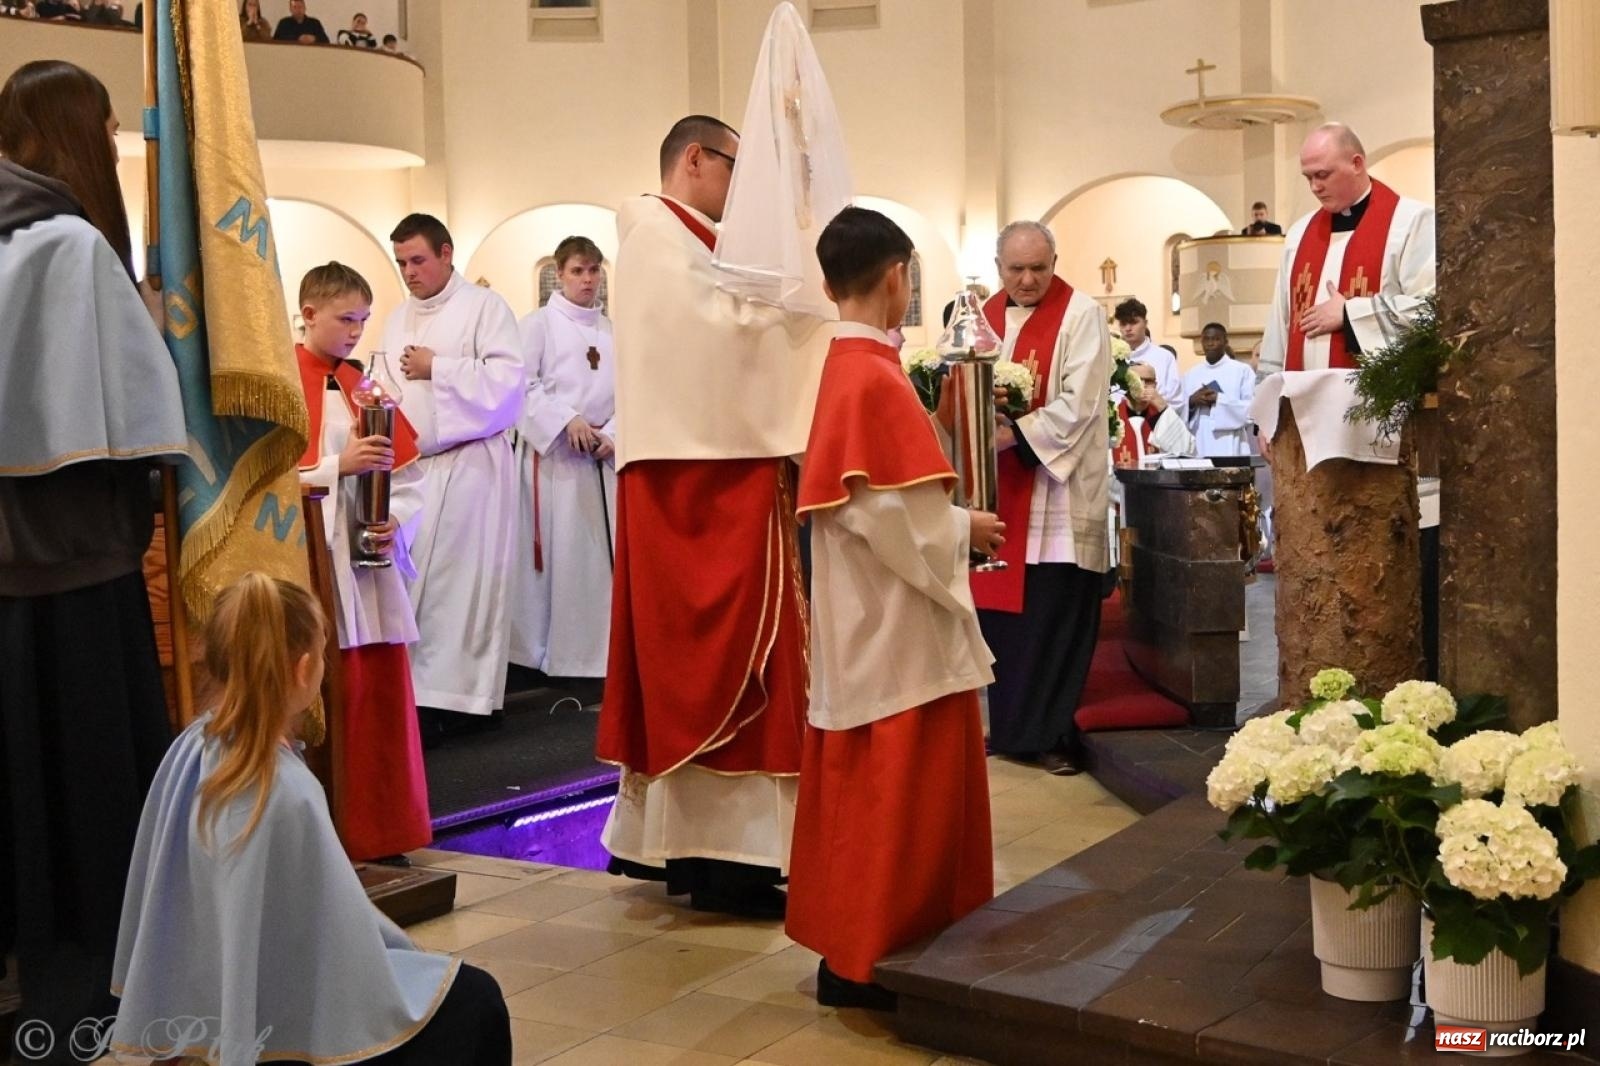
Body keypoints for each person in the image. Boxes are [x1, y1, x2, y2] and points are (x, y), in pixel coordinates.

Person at [109, 574, 512, 1066]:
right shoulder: (289, 789)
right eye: (323, 656)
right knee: (477, 999)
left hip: (200, 998)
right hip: (292, 1020)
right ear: (303, 671)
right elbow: (338, 935)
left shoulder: (189, 750)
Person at [0, 59, 187, 1065]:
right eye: (108, 126)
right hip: (73, 565)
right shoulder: (67, 240)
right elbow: (134, 407)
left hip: (6, 569)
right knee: (91, 791)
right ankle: (99, 984)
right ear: (76, 132)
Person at [595, 115, 822, 918]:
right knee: (724, 663)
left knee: (711, 662)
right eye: (737, 167)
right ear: (695, 159)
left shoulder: (691, 240)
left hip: (706, 473)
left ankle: (697, 854)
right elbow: (726, 344)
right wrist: (811, 317)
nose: (744, 188)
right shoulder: (659, 239)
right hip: (700, 486)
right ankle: (729, 862)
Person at [786, 206, 996, 1011]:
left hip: (860, 616)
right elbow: (888, 518)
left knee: (860, 793)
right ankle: (877, 959)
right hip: (895, 627)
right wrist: (963, 529)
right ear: (898, 278)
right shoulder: (871, 375)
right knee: (896, 797)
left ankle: (851, 951)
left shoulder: (841, 368)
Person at [294, 262, 432, 863]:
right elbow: (268, 481)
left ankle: (385, 830)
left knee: (380, 692)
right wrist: (336, 469)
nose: (355, 332)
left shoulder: (365, 386)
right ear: (308, 315)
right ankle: (333, 835)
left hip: (368, 567)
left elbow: (411, 477)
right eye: (345, 319)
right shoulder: (279, 383)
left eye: (363, 320)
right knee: (329, 694)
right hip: (315, 564)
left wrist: (396, 517)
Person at [379, 213, 524, 742]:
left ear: (446, 253)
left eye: (418, 260)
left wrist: (440, 367)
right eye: (401, 264)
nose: (410, 273)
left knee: (462, 586)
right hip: (417, 472)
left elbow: (509, 385)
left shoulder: (485, 308)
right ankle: (420, 698)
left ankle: (464, 701)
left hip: (471, 467)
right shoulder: (396, 318)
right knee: (419, 584)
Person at [975, 220, 1112, 776]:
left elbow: (1082, 402)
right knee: (1005, 621)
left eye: (1039, 267)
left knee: (1055, 616)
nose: (1028, 280)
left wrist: (1015, 434)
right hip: (999, 489)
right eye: (1017, 269)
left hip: (1058, 492)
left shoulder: (1082, 315)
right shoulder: (980, 318)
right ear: (999, 267)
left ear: (1055, 261)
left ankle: (1054, 735)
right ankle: (1011, 730)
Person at [510, 235, 616, 679]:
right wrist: (565, 420)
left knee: (595, 564)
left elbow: (632, 392)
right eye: (578, 271)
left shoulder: (613, 331)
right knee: (554, 564)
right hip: (554, 460)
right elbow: (520, 386)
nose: (587, 280)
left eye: (594, 270)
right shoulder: (536, 324)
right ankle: (544, 654)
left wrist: (613, 433)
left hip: (600, 461)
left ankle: (594, 654)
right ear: (560, 273)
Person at [1259, 123, 1435, 376]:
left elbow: (1428, 311)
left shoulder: (1410, 222)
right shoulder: (1299, 234)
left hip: (1375, 404)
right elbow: (1279, 323)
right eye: (1308, 177)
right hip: (1302, 401)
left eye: (1322, 175)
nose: (1314, 187)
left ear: (1356, 164)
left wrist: (1350, 313)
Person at [1181, 322, 1255, 458]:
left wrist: (1219, 399)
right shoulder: (1190, 374)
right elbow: (1179, 412)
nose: (1210, 343)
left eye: (1216, 339)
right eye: (1206, 339)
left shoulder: (1242, 371)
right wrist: (1191, 402)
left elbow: (1252, 410)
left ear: (1225, 341)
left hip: (1231, 441)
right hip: (1199, 439)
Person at [1113, 360, 1196, 466]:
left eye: (1148, 381)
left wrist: (1161, 405)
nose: (1142, 385)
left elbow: (1184, 451)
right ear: (1125, 384)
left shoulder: (1162, 415)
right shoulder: (1112, 418)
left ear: (1155, 385)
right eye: (1136, 379)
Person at [1112, 296, 1182, 413]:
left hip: (1155, 425)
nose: (1128, 328)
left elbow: (1176, 401)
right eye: (1123, 324)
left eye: (1133, 322)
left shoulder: (1164, 358)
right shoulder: (1111, 360)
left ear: (1145, 323)